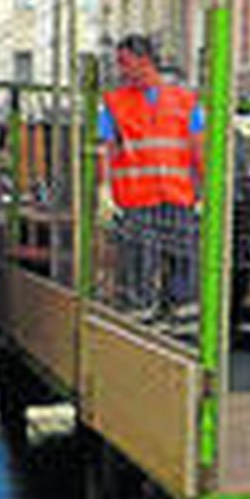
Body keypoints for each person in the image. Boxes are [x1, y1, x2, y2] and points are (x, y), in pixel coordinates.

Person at [98, 34, 205, 322]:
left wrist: (207, 192)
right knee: (138, 265)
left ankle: (183, 316)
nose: (120, 70)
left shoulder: (185, 100)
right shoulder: (114, 102)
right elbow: (105, 148)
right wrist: (104, 188)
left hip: (177, 196)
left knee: (184, 260)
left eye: (124, 63)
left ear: (145, 61)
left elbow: (198, 148)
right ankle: (141, 316)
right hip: (135, 198)